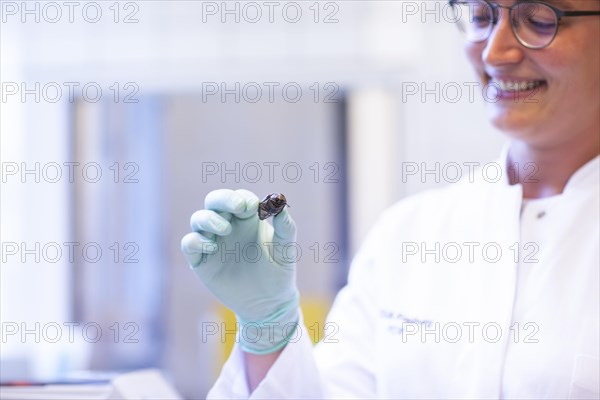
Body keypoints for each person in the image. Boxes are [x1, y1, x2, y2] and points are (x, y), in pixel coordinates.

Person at [181, 0, 600, 397]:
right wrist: (267, 329)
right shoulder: (411, 232)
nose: (496, 51)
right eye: (480, 16)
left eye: (540, 20)